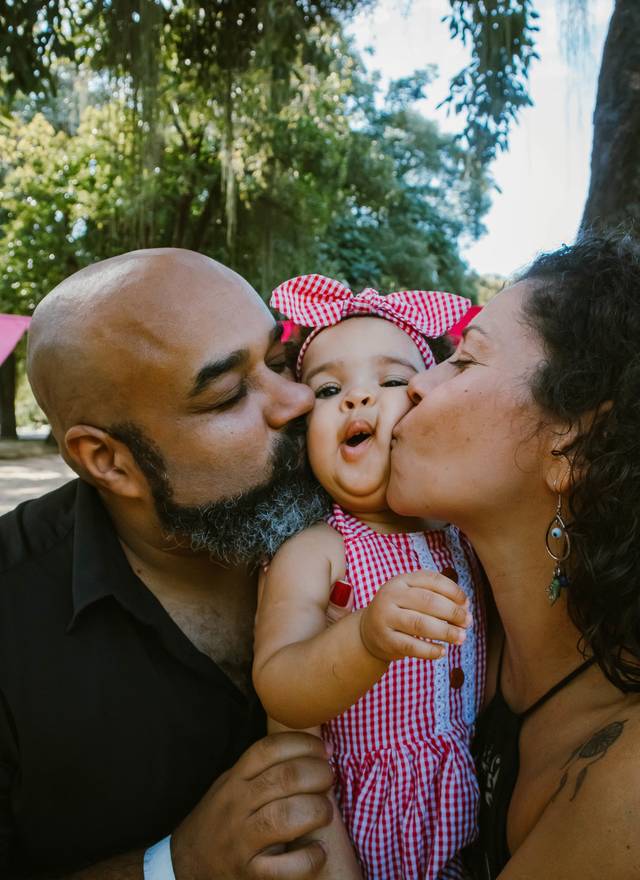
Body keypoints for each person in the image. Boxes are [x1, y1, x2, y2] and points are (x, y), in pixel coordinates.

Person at [0, 249, 352, 879]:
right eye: (226, 395)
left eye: (277, 360)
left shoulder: (377, 519)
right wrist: (175, 866)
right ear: (107, 461)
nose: (297, 399)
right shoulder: (12, 609)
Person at [386, 231, 640, 879]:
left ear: (573, 447)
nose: (416, 386)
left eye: (464, 361)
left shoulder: (624, 792)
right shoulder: (440, 625)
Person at [253, 274, 486, 880]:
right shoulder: (318, 552)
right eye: (329, 389)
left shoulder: (462, 533)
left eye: (390, 381)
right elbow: (280, 687)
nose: (358, 399)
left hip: (468, 819)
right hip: (363, 835)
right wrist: (363, 639)